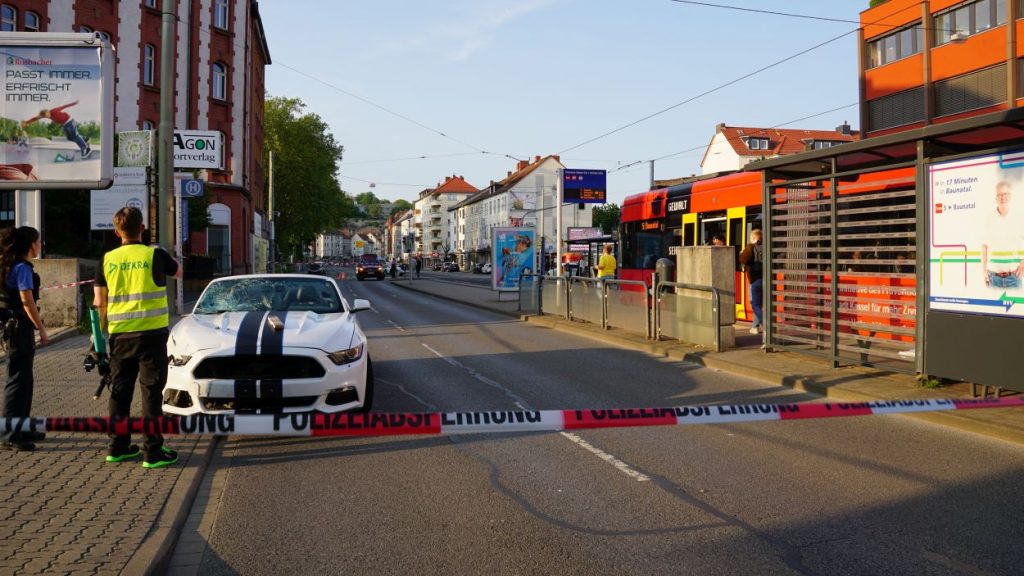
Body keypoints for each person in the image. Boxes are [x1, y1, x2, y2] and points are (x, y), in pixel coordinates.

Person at [94, 207, 181, 468]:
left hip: (120, 335)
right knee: (151, 391)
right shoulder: (155, 254)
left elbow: (99, 302)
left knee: (120, 391)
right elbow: (178, 272)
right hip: (152, 334)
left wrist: (97, 340)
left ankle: (118, 447)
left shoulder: (107, 259)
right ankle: (152, 452)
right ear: (142, 228)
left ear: (116, 232)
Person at [0, 227, 46, 452]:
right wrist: (41, 328)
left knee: (24, 379)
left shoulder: (10, 265)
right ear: (31, 245)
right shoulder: (22, 268)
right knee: (18, 381)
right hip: (19, 329)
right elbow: (27, 302)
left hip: (12, 328)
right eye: (38, 241)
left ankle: (23, 427)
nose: (40, 245)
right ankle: (9, 435)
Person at [982, 181, 1024, 289]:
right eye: (1000, 194)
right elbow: (984, 246)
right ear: (995, 198)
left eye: (1006, 194)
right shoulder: (988, 218)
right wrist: (984, 271)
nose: (1003, 197)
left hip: (1014, 278)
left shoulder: (1020, 217)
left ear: (1010, 196)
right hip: (993, 278)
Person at [21, 101, 92, 159]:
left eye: (48, 115)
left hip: (70, 121)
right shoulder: (44, 115)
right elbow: (35, 118)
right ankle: (85, 139)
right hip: (65, 124)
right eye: (46, 116)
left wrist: (74, 103)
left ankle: (86, 149)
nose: (48, 116)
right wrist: (27, 122)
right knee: (70, 137)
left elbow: (64, 106)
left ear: (48, 112)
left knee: (75, 136)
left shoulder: (54, 110)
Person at [738, 228, 764, 335]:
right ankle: (755, 327)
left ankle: (766, 323)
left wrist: (743, 252)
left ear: (753, 238)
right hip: (766, 279)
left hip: (755, 280)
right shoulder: (766, 246)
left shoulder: (751, 247)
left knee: (755, 304)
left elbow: (743, 260)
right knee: (759, 304)